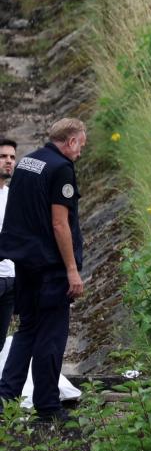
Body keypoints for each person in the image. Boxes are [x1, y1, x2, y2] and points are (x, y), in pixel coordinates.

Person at [0, 119, 86, 422]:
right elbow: (59, 223)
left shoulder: (27, 163)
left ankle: (6, 400)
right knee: (51, 336)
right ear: (72, 140)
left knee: (27, 331)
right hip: (52, 268)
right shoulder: (61, 168)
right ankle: (48, 406)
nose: (80, 152)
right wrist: (72, 270)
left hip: (25, 263)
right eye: (81, 145)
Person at [0, 137, 17, 346]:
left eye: (12, 157)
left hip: (10, 279)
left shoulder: (11, 195)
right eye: (3, 156)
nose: (9, 161)